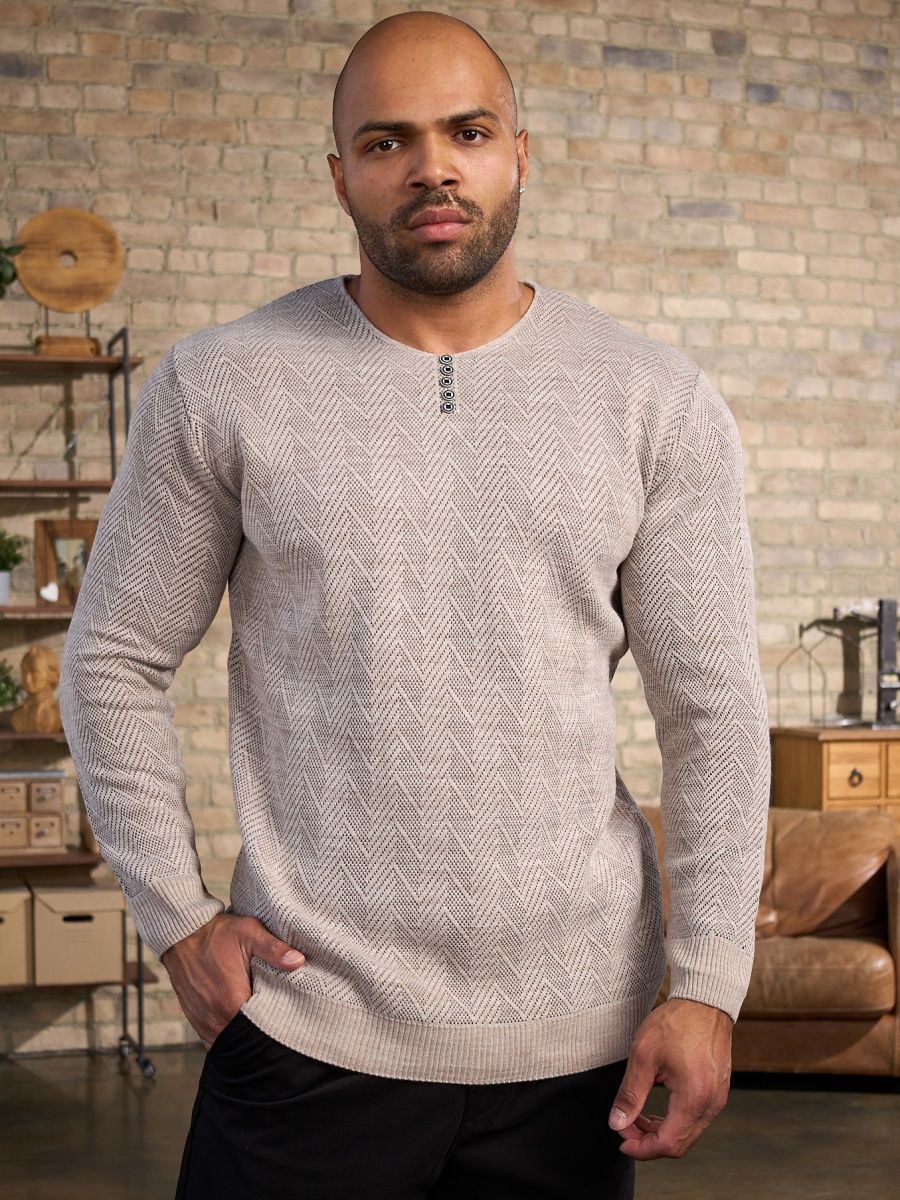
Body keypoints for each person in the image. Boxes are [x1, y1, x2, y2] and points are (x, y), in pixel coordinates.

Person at [58, 10, 771, 1199]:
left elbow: (714, 713)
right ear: (339, 174)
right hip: (305, 1026)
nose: (432, 167)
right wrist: (174, 916)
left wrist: (707, 984)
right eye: (386, 141)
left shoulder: (655, 399)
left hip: (575, 1047)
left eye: (468, 133)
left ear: (519, 155)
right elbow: (112, 656)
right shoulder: (222, 384)